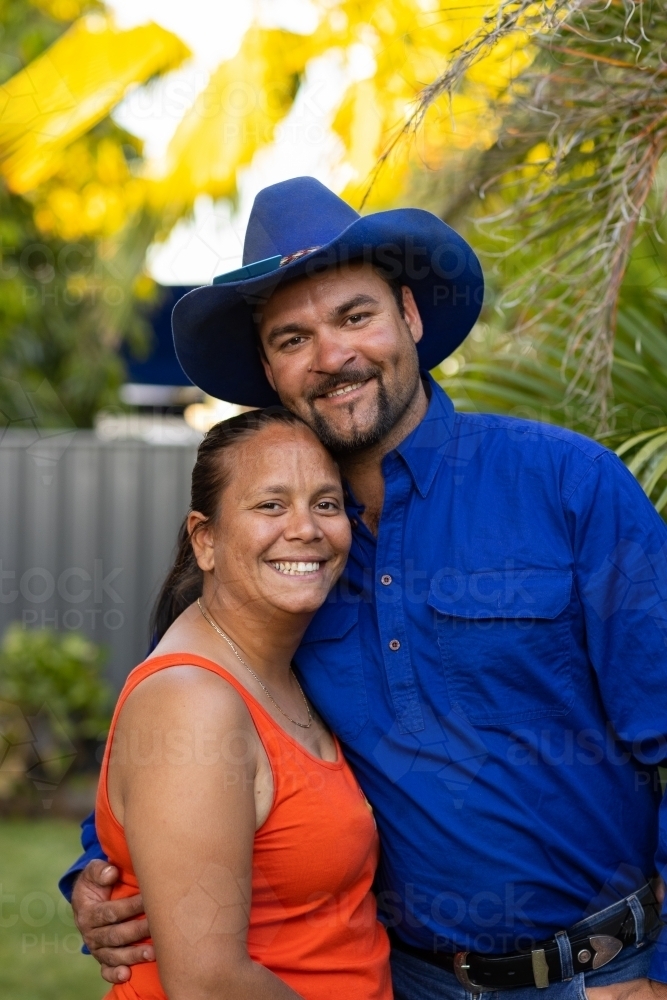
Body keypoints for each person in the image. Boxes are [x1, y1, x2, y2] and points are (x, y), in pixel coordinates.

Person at [63, 177, 667, 1000]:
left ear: (410, 319)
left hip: (607, 977)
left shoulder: (567, 486)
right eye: (291, 338)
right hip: (409, 980)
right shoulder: (283, 555)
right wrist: (92, 876)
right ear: (268, 371)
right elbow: (177, 723)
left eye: (355, 316)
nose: (331, 356)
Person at [90, 406, 392, 1000]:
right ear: (205, 539)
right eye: (271, 505)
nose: (305, 528)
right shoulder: (191, 703)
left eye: (326, 504)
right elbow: (208, 984)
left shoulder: (291, 670)